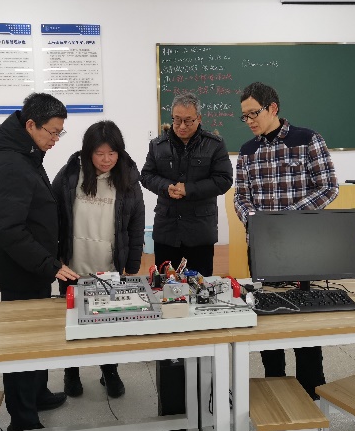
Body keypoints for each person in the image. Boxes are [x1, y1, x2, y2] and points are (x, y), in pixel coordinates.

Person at [234, 82, 339, 399]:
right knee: (268, 318)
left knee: (305, 320)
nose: (249, 121)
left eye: (253, 113)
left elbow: (328, 187)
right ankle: (276, 389)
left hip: (302, 246)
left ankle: (311, 390)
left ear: (273, 108)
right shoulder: (247, 151)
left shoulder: (307, 140)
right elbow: (241, 197)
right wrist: (254, 219)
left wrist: (288, 218)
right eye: (244, 116)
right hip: (262, 248)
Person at [0, 92, 80, 431]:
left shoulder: (26, 153)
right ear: (30, 125)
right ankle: (23, 420)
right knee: (21, 347)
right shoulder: (9, 164)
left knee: (38, 339)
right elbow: (8, 229)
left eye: (59, 132)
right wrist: (48, 264)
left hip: (34, 266)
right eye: (52, 132)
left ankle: (38, 394)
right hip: (19, 271)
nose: (55, 139)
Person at [53, 121, 145, 399]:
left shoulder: (128, 178)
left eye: (112, 153)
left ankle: (109, 370)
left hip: (109, 266)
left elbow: (136, 223)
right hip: (73, 266)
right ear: (88, 152)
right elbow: (52, 216)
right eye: (99, 153)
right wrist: (54, 259)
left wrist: (132, 263)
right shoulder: (71, 175)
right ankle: (71, 371)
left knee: (109, 323)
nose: (106, 160)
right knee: (72, 322)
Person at [140, 92, 233, 277]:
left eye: (188, 121)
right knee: (165, 285)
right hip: (167, 230)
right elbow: (147, 176)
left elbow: (224, 180)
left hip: (200, 231)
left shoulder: (214, 145)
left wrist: (189, 189)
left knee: (200, 286)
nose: (182, 126)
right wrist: (165, 187)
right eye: (177, 120)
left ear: (199, 118)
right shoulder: (158, 145)